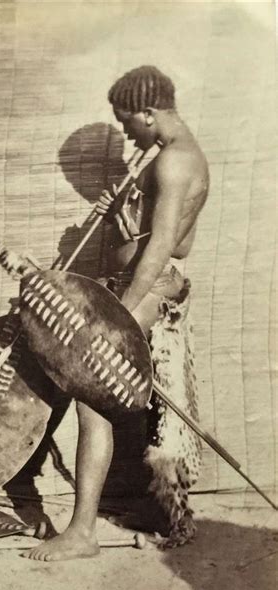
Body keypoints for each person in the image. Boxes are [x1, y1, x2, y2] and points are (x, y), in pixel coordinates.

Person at [25, 65, 209, 561]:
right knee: (116, 402)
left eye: (127, 120)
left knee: (93, 398)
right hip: (148, 289)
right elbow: (182, 243)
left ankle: (82, 533)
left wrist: (121, 317)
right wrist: (122, 217)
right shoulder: (184, 158)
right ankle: (148, 512)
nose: (126, 131)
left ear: (150, 113)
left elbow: (162, 251)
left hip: (143, 294)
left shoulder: (173, 162)